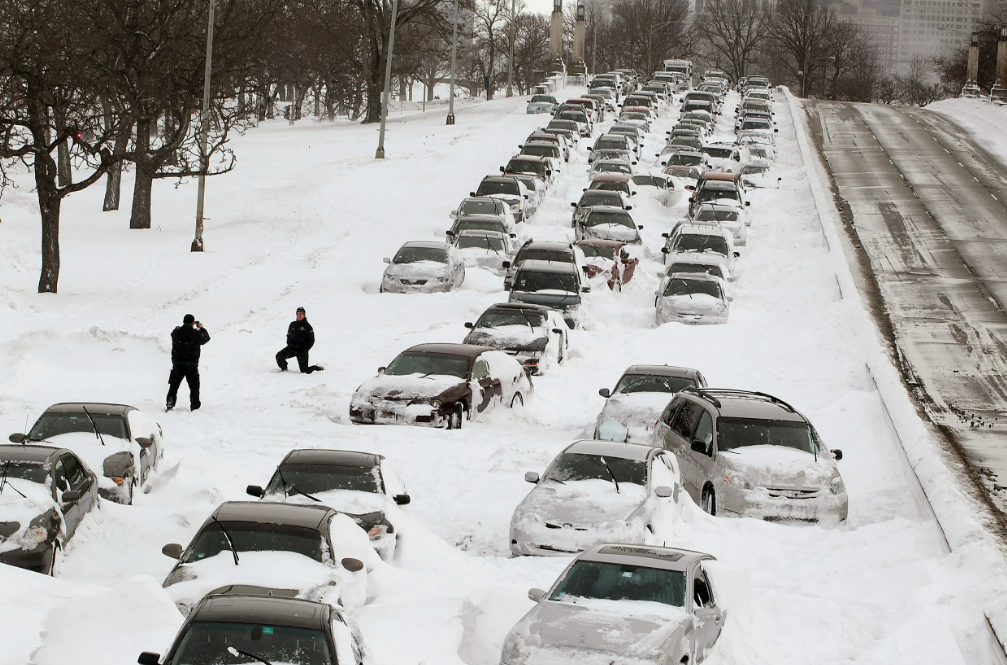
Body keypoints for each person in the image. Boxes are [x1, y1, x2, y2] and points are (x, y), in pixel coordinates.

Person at [166, 314, 211, 411]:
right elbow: (206, 338)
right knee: (194, 387)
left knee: (174, 386)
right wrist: (202, 328)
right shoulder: (195, 334)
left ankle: (170, 402)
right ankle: (195, 405)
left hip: (177, 364)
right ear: (192, 323)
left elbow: (173, 333)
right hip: (191, 365)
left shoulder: (177, 332)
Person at [276, 307, 323, 373]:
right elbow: (288, 336)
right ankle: (284, 369)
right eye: (297, 314)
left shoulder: (308, 326)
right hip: (292, 349)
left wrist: (305, 349)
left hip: (302, 351)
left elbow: (311, 340)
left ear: (304, 315)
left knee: (304, 370)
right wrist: (290, 344)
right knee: (279, 356)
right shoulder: (292, 325)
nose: (299, 315)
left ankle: (317, 368)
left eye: (300, 314)